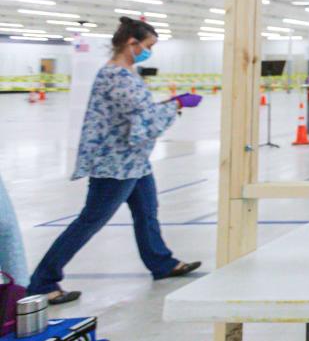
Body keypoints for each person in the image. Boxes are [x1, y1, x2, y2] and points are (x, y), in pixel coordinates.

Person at [28, 17, 202, 305]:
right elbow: (145, 122)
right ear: (131, 44)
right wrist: (178, 105)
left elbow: (140, 112)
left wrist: (169, 105)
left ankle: (162, 263)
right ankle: (43, 282)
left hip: (134, 161)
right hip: (115, 165)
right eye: (148, 46)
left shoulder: (127, 73)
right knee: (90, 221)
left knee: (147, 213)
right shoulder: (115, 77)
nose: (150, 52)